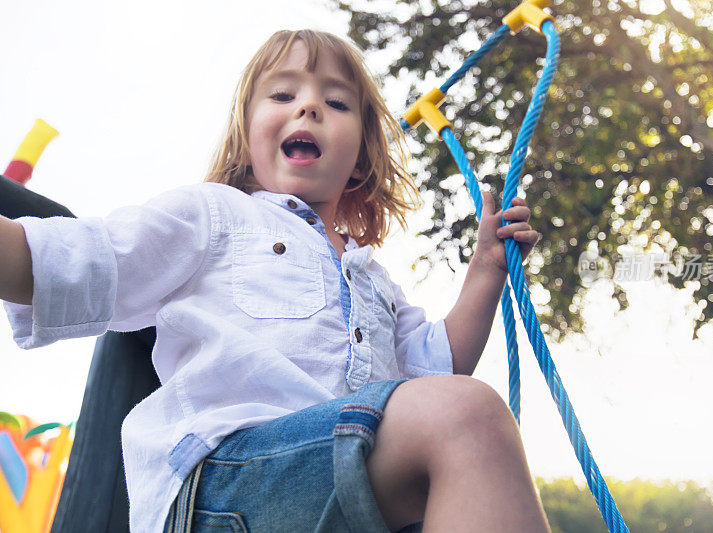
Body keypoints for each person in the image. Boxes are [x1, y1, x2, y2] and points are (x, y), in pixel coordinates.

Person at [0, 29, 549, 532]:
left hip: (338, 487)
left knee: (462, 428)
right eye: (283, 96)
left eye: (335, 103)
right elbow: (78, 260)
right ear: (244, 138)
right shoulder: (215, 217)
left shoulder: (374, 282)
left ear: (359, 158)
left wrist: (486, 270)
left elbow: (436, 370)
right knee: (468, 416)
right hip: (227, 484)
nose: (309, 105)